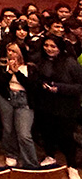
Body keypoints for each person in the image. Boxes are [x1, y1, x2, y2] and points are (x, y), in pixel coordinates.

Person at [36, 36, 82, 175]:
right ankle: (50, 156)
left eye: (53, 46)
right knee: (47, 133)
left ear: (60, 48)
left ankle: (72, 165)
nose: (49, 49)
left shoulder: (70, 62)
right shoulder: (42, 60)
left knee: (66, 136)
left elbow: (79, 86)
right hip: (46, 105)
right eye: (47, 45)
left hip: (66, 107)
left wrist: (59, 88)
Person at [0, 42, 38, 168]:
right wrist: (9, 72)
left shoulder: (30, 67)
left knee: (24, 133)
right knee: (8, 129)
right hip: (6, 98)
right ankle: (11, 153)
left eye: (14, 51)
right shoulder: (1, 65)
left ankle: (31, 163)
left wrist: (17, 72)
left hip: (24, 101)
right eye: (9, 50)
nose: (10, 53)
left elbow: (32, 87)